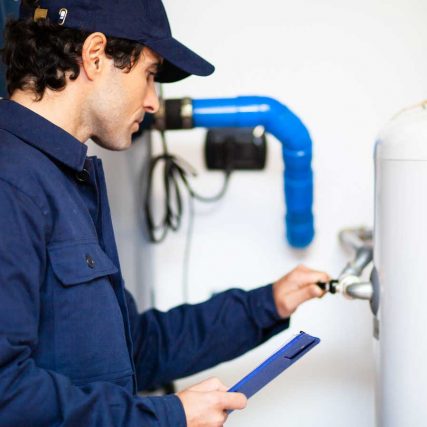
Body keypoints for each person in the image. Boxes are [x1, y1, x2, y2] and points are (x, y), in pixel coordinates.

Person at [0, 0, 329, 426]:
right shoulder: (12, 182)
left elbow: (137, 346)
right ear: (95, 56)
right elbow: (7, 395)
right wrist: (167, 417)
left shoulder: (66, 180)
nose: (153, 102)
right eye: (150, 75)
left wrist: (268, 305)